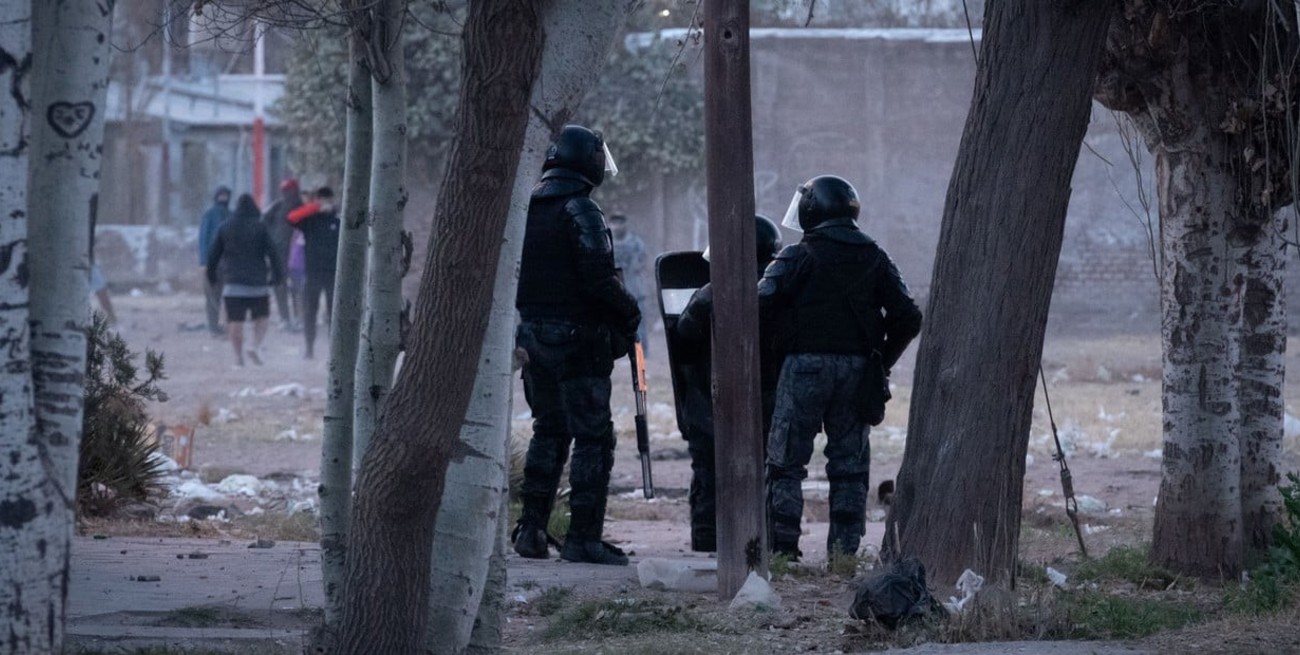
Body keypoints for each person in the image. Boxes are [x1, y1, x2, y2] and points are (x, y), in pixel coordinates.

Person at [758, 175, 922, 560]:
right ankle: (843, 557)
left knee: (785, 463)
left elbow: (760, 304)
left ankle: (783, 551)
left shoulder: (796, 255)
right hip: (857, 372)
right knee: (849, 467)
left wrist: (775, 349)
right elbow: (909, 316)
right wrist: (880, 361)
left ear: (811, 209)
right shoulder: (876, 256)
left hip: (802, 369)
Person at [512, 125, 640, 566]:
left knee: (548, 428)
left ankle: (531, 529)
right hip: (578, 338)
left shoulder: (526, 207)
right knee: (593, 437)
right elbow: (598, 279)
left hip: (532, 335)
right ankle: (583, 537)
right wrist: (629, 311)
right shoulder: (580, 208)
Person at [673, 215, 784, 552]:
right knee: (766, 475)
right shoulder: (784, 290)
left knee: (710, 476)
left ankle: (707, 542)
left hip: (712, 402)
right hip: (769, 401)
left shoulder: (710, 293)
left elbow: (683, 341)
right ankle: (766, 544)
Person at [208, 193, 284, 367]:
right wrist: (277, 276)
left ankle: (238, 357)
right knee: (262, 318)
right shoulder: (261, 227)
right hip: (258, 284)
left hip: (233, 284)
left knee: (235, 321)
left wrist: (212, 276)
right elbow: (273, 253)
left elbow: (213, 255)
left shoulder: (225, 227)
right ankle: (254, 345)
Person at [287, 186, 340, 359]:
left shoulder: (338, 220)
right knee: (310, 312)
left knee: (334, 313)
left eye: (326, 200)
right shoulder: (310, 221)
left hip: (333, 273)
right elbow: (291, 218)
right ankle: (309, 348)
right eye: (320, 200)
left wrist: (333, 208)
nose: (324, 203)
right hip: (313, 273)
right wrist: (315, 208)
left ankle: (335, 351)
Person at [262, 178, 302, 331]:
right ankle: (285, 318)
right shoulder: (277, 206)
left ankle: (298, 317)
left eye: (289, 190)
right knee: (280, 286)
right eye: (285, 190)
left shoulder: (302, 207)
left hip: (298, 254)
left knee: (297, 286)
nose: (287, 193)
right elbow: (263, 221)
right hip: (279, 253)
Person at [609, 213, 649, 352]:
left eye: (620, 222)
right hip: (615, 291)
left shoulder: (636, 243)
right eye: (614, 222)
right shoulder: (607, 242)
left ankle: (642, 353)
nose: (617, 226)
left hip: (636, 289)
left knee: (639, 324)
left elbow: (643, 261)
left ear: (625, 224)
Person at [198, 186, 232, 336]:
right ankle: (214, 326)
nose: (223, 198)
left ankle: (221, 326)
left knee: (220, 295)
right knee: (214, 295)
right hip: (216, 262)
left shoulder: (230, 215)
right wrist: (204, 262)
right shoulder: (210, 215)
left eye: (225, 196)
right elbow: (203, 239)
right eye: (221, 195)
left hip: (224, 261)